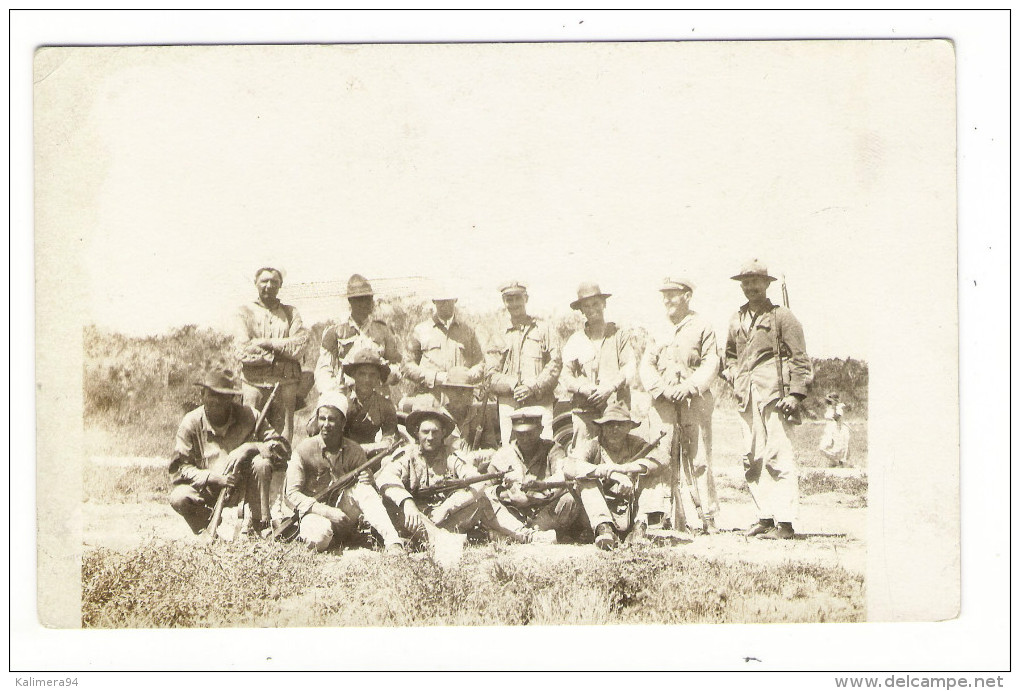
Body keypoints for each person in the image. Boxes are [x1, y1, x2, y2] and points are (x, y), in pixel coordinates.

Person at [375, 398, 555, 546]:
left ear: (444, 433)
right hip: (413, 518)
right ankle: (441, 542)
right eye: (425, 432)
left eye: (435, 432)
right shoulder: (406, 455)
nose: (430, 437)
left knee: (484, 499)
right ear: (416, 433)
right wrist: (408, 503)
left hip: (443, 518)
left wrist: (447, 507)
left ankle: (527, 536)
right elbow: (386, 479)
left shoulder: (452, 456)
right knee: (393, 505)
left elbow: (477, 482)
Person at [722, 259, 813, 540]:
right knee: (751, 458)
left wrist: (796, 395)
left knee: (778, 455)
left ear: (766, 284)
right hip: (746, 397)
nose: (751, 287)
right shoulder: (737, 318)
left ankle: (784, 523)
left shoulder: (781, 316)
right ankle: (765, 516)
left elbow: (800, 358)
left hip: (775, 396)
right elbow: (729, 356)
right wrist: (734, 376)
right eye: (746, 283)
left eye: (756, 282)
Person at [639, 277, 720, 533]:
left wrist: (689, 386)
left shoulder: (702, 326)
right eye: (664, 295)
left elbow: (711, 363)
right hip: (663, 402)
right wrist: (661, 389)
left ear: (687, 295)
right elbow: (646, 364)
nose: (667, 300)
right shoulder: (658, 328)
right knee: (663, 457)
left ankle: (706, 515)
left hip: (693, 401)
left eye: (672, 294)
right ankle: (664, 516)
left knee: (697, 458)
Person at [168, 370, 288, 536]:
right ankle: (206, 529)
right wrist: (214, 478)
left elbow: (282, 448)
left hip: (244, 489)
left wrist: (250, 447)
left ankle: (260, 525)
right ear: (202, 395)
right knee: (179, 497)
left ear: (232, 398)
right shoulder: (191, 423)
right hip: (208, 490)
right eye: (212, 395)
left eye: (223, 396)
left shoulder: (250, 415)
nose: (217, 401)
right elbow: (180, 468)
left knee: (262, 463)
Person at [285, 392, 405, 553]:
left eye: (332, 419)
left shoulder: (354, 450)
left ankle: (393, 542)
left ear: (343, 423)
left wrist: (368, 480)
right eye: (322, 418)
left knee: (364, 490)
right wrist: (327, 512)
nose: (326, 424)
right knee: (319, 537)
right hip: (314, 513)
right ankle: (333, 539)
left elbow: (366, 495)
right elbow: (291, 494)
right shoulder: (303, 449)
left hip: (344, 512)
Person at [564, 403, 669, 550]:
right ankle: (604, 529)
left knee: (651, 474)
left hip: (629, 509)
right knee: (585, 479)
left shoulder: (636, 443)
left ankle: (640, 529)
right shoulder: (593, 445)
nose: (615, 429)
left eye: (620, 425)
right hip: (596, 512)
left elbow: (662, 461)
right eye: (610, 425)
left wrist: (625, 468)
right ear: (602, 427)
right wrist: (608, 472)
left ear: (629, 427)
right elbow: (570, 466)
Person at [233, 266, 310, 443]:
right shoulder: (244, 312)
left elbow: (299, 346)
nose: (269, 285)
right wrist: (277, 357)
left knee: (283, 437)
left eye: (274, 281)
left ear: (280, 285)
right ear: (255, 283)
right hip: (253, 383)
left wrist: (267, 343)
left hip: (285, 385)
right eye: (264, 281)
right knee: (250, 432)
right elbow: (242, 349)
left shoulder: (291, 313)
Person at [560, 282, 636, 449]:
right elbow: (565, 375)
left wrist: (610, 387)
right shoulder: (575, 340)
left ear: (604, 304)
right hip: (585, 411)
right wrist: (582, 388)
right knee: (584, 457)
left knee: (618, 457)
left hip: (615, 411)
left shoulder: (619, 335)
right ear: (581, 310)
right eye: (586, 306)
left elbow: (629, 368)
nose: (591, 309)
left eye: (595, 303)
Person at [486, 281, 562, 444]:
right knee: (510, 451)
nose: (514, 304)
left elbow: (555, 363)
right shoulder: (498, 333)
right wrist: (513, 384)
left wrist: (532, 387)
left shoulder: (543, 328)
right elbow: (490, 373)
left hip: (539, 402)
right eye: (509, 299)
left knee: (544, 448)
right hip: (509, 403)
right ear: (504, 302)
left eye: (518, 298)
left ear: (526, 298)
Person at [487, 408, 579, 540]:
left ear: (540, 429)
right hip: (513, 512)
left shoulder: (553, 449)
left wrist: (535, 495)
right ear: (514, 432)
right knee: (485, 499)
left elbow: (562, 477)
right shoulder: (503, 454)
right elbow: (488, 485)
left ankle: (519, 534)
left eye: (530, 433)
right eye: (520, 434)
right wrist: (507, 493)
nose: (525, 439)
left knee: (570, 498)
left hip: (544, 511)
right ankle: (529, 534)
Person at [315, 274, 403, 395]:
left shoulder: (383, 330)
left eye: (367, 298)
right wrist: (331, 391)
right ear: (350, 301)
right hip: (346, 393)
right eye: (358, 299)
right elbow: (323, 368)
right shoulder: (336, 331)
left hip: (378, 393)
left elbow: (396, 362)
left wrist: (385, 376)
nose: (363, 304)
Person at [403, 291, 485, 398]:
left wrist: (468, 376)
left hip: (460, 400)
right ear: (434, 300)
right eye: (441, 300)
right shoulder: (421, 330)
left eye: (448, 299)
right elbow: (407, 365)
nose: (445, 303)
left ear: (455, 299)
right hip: (430, 397)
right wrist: (435, 377)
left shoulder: (468, 331)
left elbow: (480, 363)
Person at [337, 347, 398, 452]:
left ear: (378, 378)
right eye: (362, 374)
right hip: (345, 456)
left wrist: (370, 449)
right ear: (354, 375)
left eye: (372, 375)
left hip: (374, 455)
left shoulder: (385, 405)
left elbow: (390, 438)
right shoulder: (342, 403)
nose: (367, 380)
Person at [436, 366, 499, 453]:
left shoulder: (480, 416)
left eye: (463, 390)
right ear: (446, 391)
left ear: (470, 393)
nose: (459, 394)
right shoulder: (438, 417)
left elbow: (492, 449)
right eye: (454, 389)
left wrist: (478, 455)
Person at [819, 393, 851, 467]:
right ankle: (834, 461)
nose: (828, 402)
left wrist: (834, 407)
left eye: (830, 400)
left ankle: (839, 462)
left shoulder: (839, 408)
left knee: (838, 447)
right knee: (823, 447)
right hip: (828, 430)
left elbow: (836, 417)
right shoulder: (829, 408)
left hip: (837, 429)